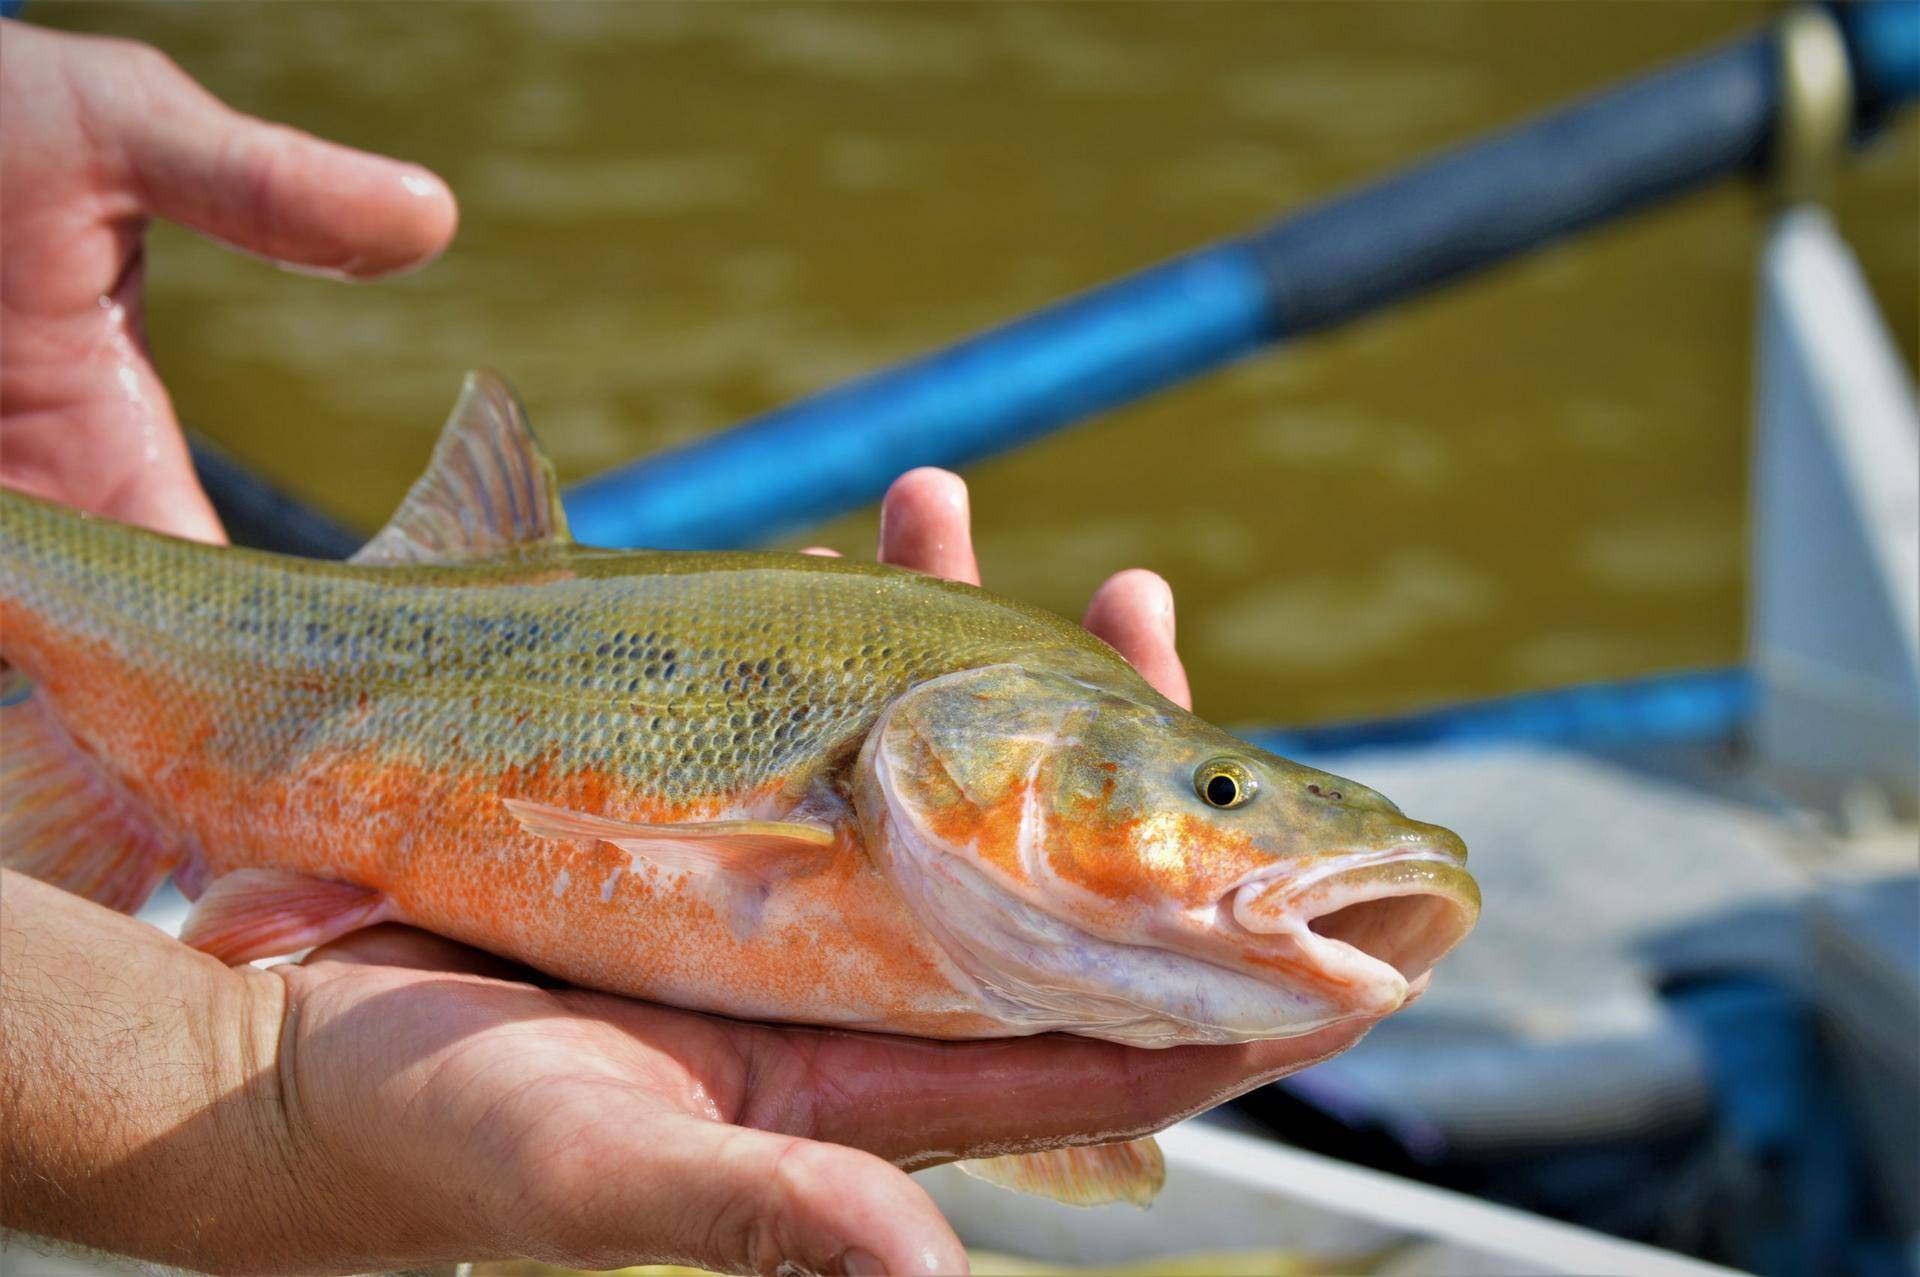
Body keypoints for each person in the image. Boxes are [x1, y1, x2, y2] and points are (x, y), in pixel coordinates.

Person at [0, 21, 1375, 1277]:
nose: (1225, 823)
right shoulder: (906, 830)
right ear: (957, 748)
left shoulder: (1014, 926)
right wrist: (252, 1092)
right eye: (1215, 794)